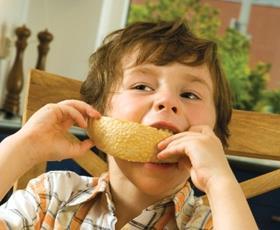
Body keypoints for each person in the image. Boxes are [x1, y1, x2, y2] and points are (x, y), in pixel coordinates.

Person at [0, 21, 257, 229]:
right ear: (96, 115)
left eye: (190, 95)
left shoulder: (214, 222)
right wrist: (24, 146)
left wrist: (221, 182)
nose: (167, 101)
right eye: (142, 86)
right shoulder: (52, 196)